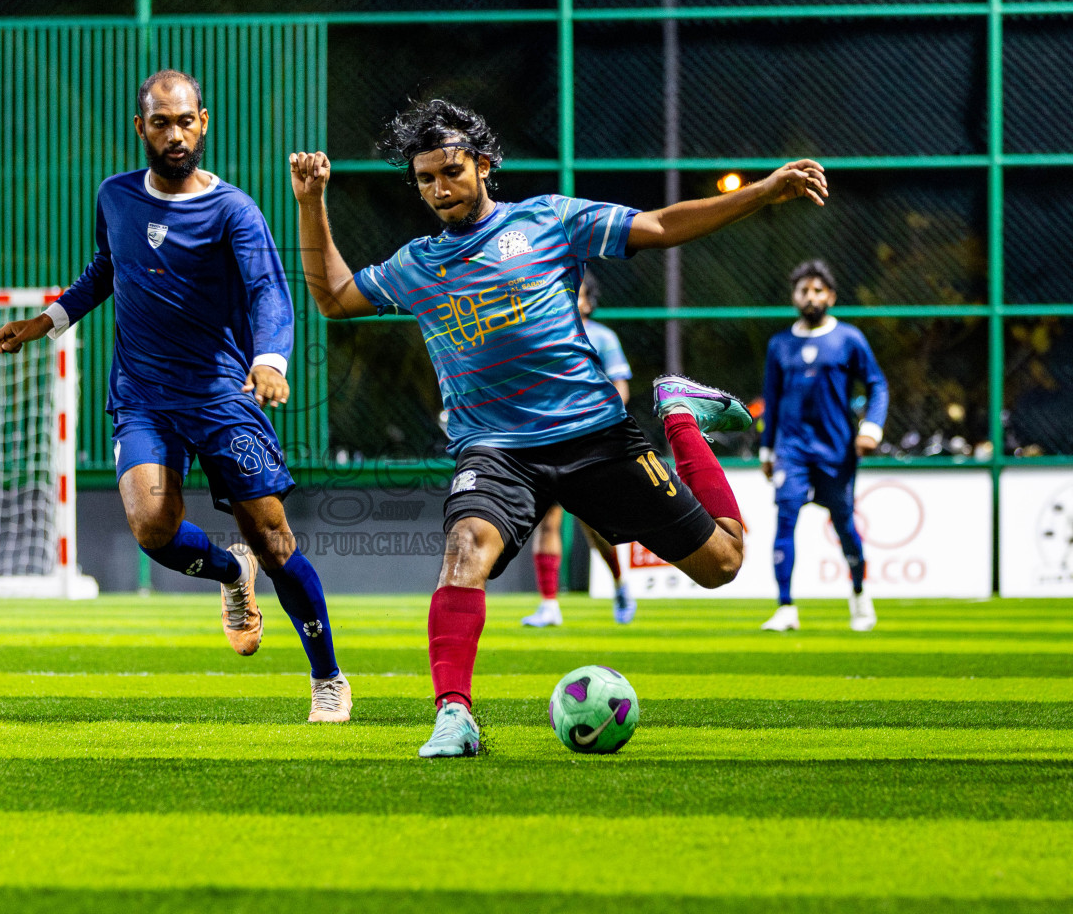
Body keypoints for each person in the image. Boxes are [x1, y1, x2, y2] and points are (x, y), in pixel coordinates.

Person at [288, 98, 828, 758]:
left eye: (451, 171)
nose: (438, 189)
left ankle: (680, 415)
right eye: (425, 178)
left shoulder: (547, 220)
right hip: (494, 450)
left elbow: (658, 226)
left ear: (484, 164)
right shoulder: (417, 264)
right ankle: (453, 717)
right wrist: (310, 200)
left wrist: (763, 192)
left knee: (723, 563)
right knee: (464, 552)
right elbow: (333, 297)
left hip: (594, 434)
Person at [0, 69, 351, 723]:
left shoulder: (234, 210)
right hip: (142, 394)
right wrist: (44, 322)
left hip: (221, 392)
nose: (175, 133)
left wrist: (270, 360)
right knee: (152, 526)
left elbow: (269, 290)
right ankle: (226, 574)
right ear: (141, 129)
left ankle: (327, 678)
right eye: (161, 122)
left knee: (274, 541)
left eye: (186, 120)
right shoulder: (114, 197)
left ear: (203, 123)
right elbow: (104, 270)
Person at [759, 259, 889, 633]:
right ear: (794, 297)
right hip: (791, 450)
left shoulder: (849, 339)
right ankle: (785, 607)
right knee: (785, 520)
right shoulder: (779, 344)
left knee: (845, 524)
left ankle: (860, 594)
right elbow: (772, 396)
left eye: (818, 290)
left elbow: (878, 385)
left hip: (836, 450)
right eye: (804, 290)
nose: (811, 297)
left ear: (830, 296)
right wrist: (767, 451)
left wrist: (872, 429)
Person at [522, 271, 637, 627]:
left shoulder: (603, 338)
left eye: (578, 293)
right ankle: (549, 605)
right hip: (548, 439)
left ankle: (620, 585)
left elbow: (621, 389)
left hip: (589, 443)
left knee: (595, 527)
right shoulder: (542, 336)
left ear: (588, 301)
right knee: (547, 521)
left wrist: (599, 424)